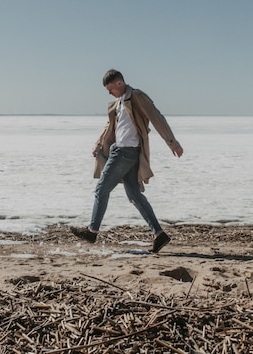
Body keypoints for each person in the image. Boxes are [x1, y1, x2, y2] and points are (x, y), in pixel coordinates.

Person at [71, 69, 183, 253]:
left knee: (102, 189)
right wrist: (99, 144)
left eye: (111, 89)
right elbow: (110, 126)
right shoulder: (118, 103)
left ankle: (92, 231)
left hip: (125, 152)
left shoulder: (137, 97)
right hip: (124, 151)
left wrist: (172, 142)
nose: (109, 93)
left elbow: (156, 117)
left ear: (120, 83)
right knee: (134, 195)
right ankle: (159, 234)